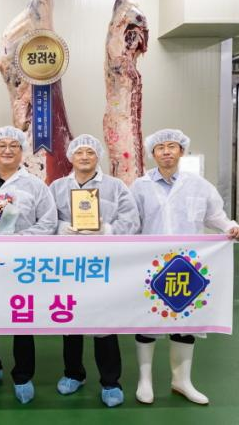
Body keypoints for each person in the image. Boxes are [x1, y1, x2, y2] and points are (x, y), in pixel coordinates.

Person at [131, 128, 239, 405]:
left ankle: (181, 381)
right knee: (148, 320)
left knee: (185, 321)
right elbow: (131, 223)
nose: (166, 151)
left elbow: (215, 216)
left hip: (186, 265)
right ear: (152, 153)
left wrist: (230, 226)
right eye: (160, 147)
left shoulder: (199, 185)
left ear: (182, 151)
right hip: (151, 265)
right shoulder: (140, 186)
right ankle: (145, 381)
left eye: (172, 146)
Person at [49, 134, 140, 407]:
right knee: (70, 321)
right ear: (71, 157)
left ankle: (110, 382)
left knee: (105, 322)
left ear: (97, 155)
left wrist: (106, 229)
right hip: (68, 264)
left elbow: (132, 221)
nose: (85, 157)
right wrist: (61, 229)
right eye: (79, 152)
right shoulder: (56, 187)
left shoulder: (116, 186)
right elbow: (46, 219)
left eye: (90, 152)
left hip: (103, 264)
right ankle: (73, 374)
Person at [0, 126, 57, 404]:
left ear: (22, 151)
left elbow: (49, 222)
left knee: (22, 318)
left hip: (21, 263)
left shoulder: (36, 185)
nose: (7, 150)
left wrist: (19, 238)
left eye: (13, 146)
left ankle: (23, 376)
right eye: (1, 145)